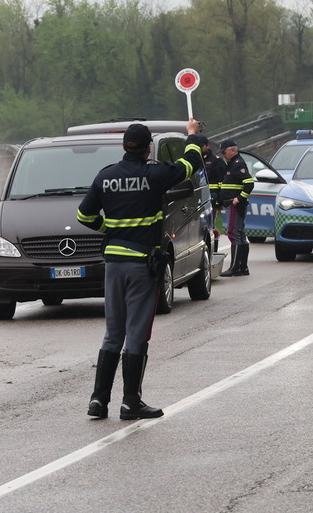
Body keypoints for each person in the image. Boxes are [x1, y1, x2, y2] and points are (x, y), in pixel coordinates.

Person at [77, 119, 203, 420]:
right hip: (140, 264)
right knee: (136, 333)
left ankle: (98, 400)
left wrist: (111, 230)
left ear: (123, 146)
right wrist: (192, 136)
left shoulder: (106, 176)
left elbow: (84, 215)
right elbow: (190, 164)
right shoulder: (155, 174)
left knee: (113, 333)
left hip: (113, 263)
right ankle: (130, 402)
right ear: (148, 149)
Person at [218, 139, 254, 277]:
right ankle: (243, 267)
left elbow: (249, 183)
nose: (223, 155)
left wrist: (239, 198)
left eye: (224, 152)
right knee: (240, 234)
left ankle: (235, 268)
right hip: (232, 204)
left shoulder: (237, 164)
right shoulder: (232, 164)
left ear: (232, 150)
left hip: (235, 205)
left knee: (234, 234)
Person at [195, 135, 226, 251]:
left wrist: (220, 200)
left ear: (207, 146)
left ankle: (212, 250)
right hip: (197, 199)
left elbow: (222, 182)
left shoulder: (216, 161)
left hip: (211, 199)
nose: (199, 148)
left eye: (201, 146)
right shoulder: (195, 160)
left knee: (209, 227)